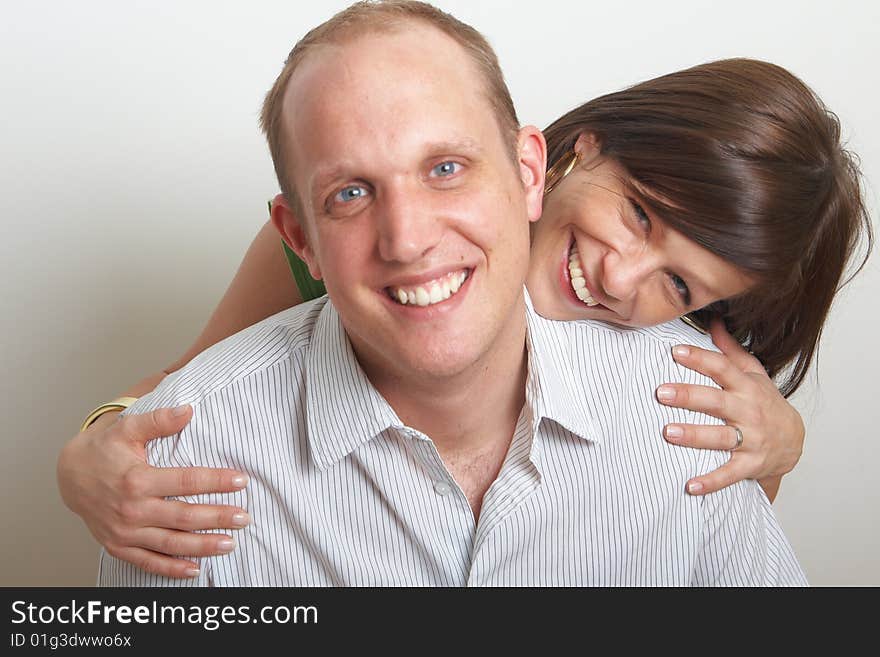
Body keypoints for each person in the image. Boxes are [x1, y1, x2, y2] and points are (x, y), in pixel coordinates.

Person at [95, 0, 811, 586]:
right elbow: (185, 390)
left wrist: (778, 452)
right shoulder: (292, 299)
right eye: (638, 214)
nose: (619, 277)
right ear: (561, 160)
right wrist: (94, 451)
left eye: (677, 283)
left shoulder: (676, 401)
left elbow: (715, 524)